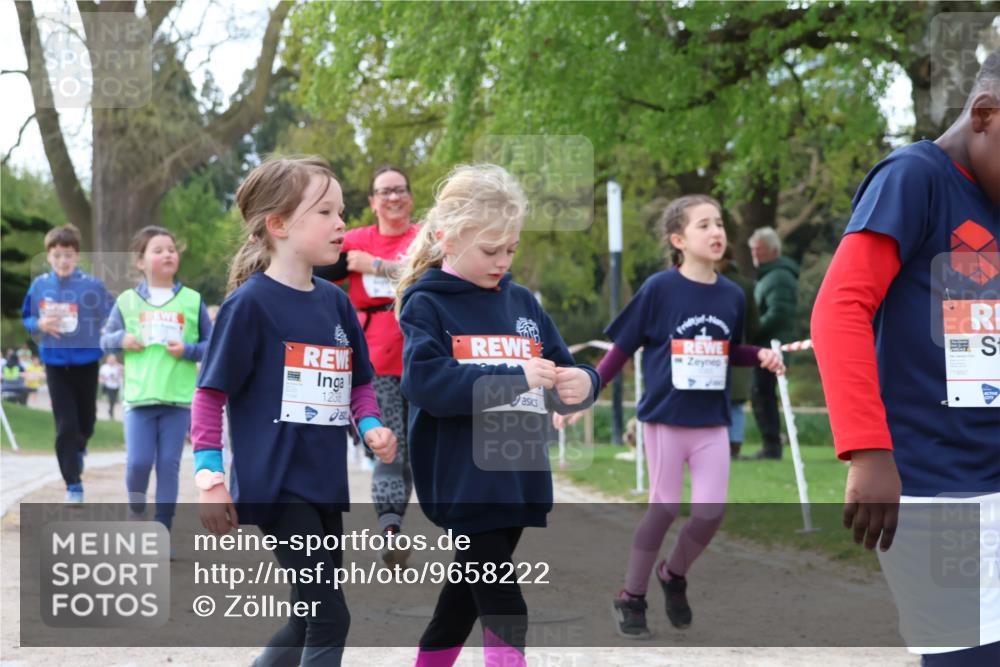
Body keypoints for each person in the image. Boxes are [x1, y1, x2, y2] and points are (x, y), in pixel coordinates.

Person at [812, 50, 1000, 666]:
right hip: (934, 487)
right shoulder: (913, 177)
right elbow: (839, 311)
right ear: (984, 115)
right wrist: (868, 451)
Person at [192, 156, 397, 667]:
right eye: (325, 212)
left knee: (308, 616)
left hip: (325, 481)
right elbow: (209, 396)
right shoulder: (249, 306)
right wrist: (210, 479)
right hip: (277, 485)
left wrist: (370, 426)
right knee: (331, 618)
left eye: (342, 211)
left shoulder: (335, 302)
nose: (341, 223)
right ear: (278, 225)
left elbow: (359, 384)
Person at [397, 164, 599, 666]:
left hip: (519, 476)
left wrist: (583, 384)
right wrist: (513, 376)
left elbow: (560, 369)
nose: (502, 261)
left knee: (462, 599)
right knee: (505, 601)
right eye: (491, 250)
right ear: (446, 238)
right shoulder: (426, 305)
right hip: (464, 480)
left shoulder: (522, 301)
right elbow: (426, 383)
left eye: (511, 249)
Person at [560, 195, 784, 639]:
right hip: (665, 420)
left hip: (711, 424)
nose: (716, 232)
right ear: (679, 240)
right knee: (662, 509)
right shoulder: (659, 289)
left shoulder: (732, 295)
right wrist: (588, 391)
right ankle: (632, 595)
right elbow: (622, 348)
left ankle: (673, 573)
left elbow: (726, 349)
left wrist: (758, 355)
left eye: (719, 223)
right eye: (704, 225)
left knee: (709, 513)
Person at [315, 165, 421, 568]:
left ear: (410, 197)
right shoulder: (355, 240)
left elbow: (437, 273)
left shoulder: (423, 238)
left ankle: (468, 533)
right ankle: (391, 528)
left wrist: (376, 267)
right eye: (384, 192)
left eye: (399, 190)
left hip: (428, 362)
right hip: (377, 362)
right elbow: (311, 272)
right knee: (391, 449)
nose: (393, 198)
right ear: (373, 201)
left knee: (424, 453)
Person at [100, 226, 212, 530]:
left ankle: (163, 528)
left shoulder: (192, 300)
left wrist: (187, 349)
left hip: (178, 400)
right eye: (158, 250)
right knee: (138, 463)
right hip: (139, 398)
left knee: (168, 466)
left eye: (171, 249)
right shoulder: (126, 301)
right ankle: (136, 509)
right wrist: (122, 339)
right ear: (140, 261)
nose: (167, 254)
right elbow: (105, 341)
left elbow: (212, 347)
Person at [21, 224, 114, 503]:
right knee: (65, 426)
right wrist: (39, 323)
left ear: (77, 257)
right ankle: (73, 485)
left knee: (87, 423)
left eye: (69, 255)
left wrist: (104, 331)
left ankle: (79, 449)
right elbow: (27, 317)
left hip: (86, 362)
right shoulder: (39, 286)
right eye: (57, 255)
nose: (63, 260)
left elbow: (111, 316)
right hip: (55, 363)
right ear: (49, 256)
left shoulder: (92, 286)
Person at [746, 226, 799, 459]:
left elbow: (779, 313)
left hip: (772, 346)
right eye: (753, 251)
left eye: (760, 250)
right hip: (765, 344)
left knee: (763, 394)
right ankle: (770, 444)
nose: (756, 255)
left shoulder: (779, 277)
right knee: (760, 394)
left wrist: (753, 329)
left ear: (774, 250)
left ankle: (772, 446)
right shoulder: (768, 276)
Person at [718, 248, 759, 459]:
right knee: (735, 403)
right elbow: (753, 323)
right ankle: (732, 446)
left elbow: (751, 321)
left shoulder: (733, 285)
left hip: (730, 351)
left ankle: (731, 447)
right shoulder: (745, 284)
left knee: (733, 401)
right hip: (738, 345)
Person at [98, 353, 123, 420]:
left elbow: (123, 372)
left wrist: (118, 366)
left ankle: (110, 410)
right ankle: (111, 413)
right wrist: (102, 380)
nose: (112, 361)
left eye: (113, 359)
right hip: (108, 385)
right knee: (111, 399)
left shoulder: (117, 367)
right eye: (111, 359)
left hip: (116, 386)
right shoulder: (104, 367)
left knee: (113, 400)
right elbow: (101, 376)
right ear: (107, 360)